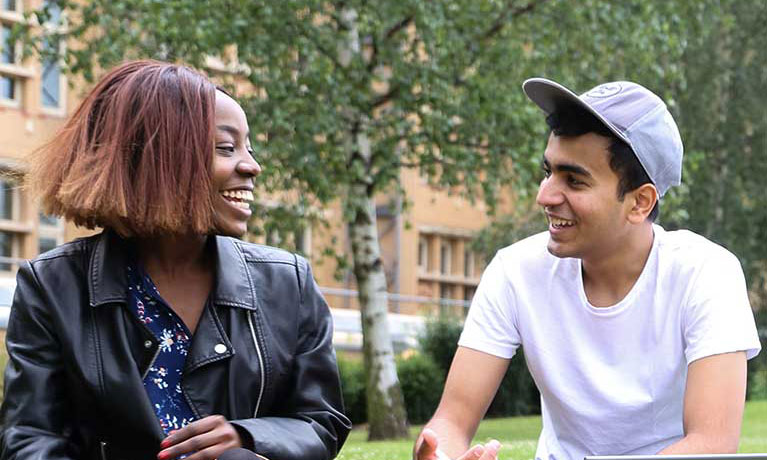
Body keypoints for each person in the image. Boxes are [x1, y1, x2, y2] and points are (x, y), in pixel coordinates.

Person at [0, 60, 351, 460]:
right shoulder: (51, 286)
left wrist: (246, 438)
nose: (252, 166)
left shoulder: (289, 282)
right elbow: (30, 438)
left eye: (248, 148)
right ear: (156, 157)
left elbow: (322, 422)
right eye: (226, 148)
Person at [414, 78, 762, 460]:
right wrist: (439, 454)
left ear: (639, 203)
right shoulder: (515, 272)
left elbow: (711, 446)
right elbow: (449, 422)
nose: (544, 196)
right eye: (548, 172)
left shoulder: (706, 273)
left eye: (574, 180)